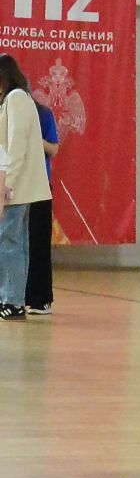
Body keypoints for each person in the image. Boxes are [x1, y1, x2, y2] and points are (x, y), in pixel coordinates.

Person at [0, 56, 51, 323]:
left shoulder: (18, 99)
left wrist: (7, 185)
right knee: (14, 243)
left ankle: (12, 300)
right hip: (12, 185)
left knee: (10, 243)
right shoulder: (14, 100)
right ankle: (11, 297)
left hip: (14, 187)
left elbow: (15, 145)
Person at [26, 102, 58, 316]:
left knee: (38, 242)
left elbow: (53, 149)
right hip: (12, 185)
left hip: (38, 184)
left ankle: (41, 298)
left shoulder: (43, 114)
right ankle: (11, 295)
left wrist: (31, 137)